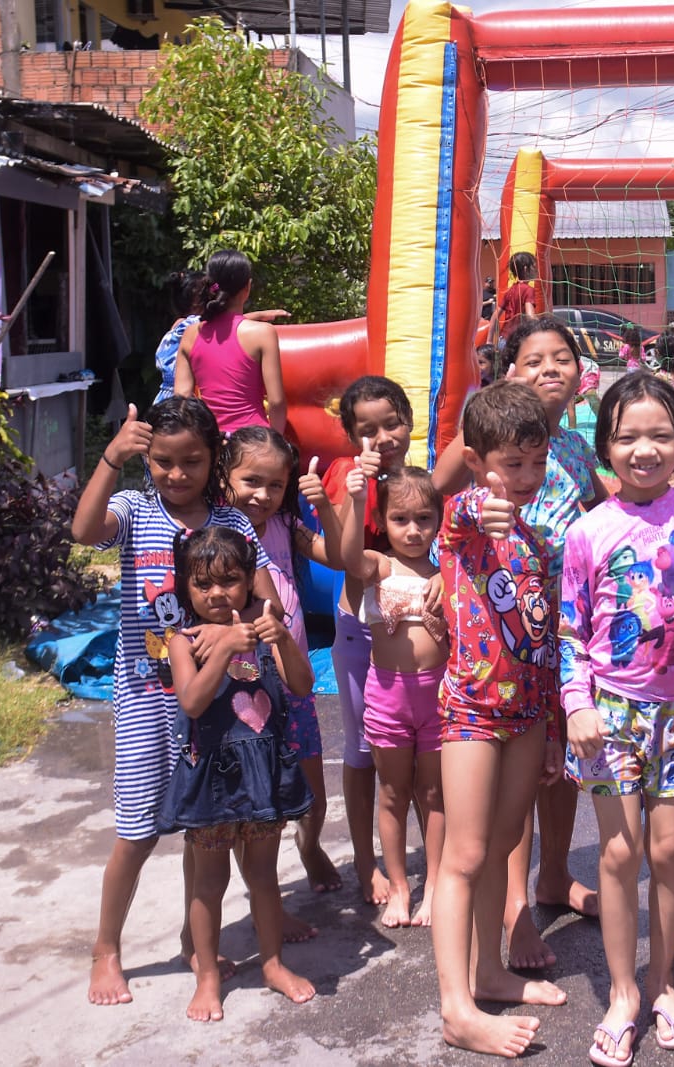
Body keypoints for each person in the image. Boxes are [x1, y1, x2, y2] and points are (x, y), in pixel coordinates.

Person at [71, 396, 282, 1006]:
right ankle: (106, 949)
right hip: (147, 697)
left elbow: (269, 601)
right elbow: (84, 532)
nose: (176, 473)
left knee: (205, 827)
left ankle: (199, 941)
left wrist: (237, 624)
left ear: (214, 458)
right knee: (136, 831)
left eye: (191, 460)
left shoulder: (232, 522)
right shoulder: (135, 509)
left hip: (217, 702)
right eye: (162, 461)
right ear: (147, 460)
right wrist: (111, 457)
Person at [561, 374, 674, 1066]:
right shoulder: (588, 530)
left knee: (668, 850)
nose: (644, 448)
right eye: (628, 436)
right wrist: (575, 702)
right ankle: (624, 992)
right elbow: (571, 631)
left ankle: (662, 982)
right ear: (606, 446)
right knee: (617, 852)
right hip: (610, 711)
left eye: (660, 434)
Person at [434, 315, 607, 969]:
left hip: (557, 638)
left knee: (557, 768)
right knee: (509, 798)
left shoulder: (574, 452)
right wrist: (492, 406)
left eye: (562, 357)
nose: (551, 369)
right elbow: (452, 484)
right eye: (534, 360)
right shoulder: (491, 454)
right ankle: (513, 912)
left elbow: (604, 506)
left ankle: (555, 875)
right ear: (511, 372)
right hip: (494, 645)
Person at [431, 380, 567, 1058]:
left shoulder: (539, 545)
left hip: (527, 716)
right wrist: (476, 508)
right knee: (465, 852)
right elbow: (453, 516)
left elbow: (544, 641)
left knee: (507, 836)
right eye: (513, 464)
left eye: (537, 463)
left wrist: (553, 726)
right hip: (472, 712)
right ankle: (456, 1006)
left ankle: (489, 970)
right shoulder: (466, 521)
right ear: (480, 460)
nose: (526, 478)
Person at [160, 526, 316, 1021]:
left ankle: (272, 964)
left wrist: (284, 640)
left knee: (265, 876)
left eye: (229, 580)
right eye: (202, 584)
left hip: (264, 771)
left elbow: (302, 683)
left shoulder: (266, 629)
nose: (215, 593)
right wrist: (227, 643)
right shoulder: (183, 641)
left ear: (250, 581)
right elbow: (191, 699)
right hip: (214, 777)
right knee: (209, 882)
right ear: (185, 587)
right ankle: (207, 975)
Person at [222, 427, 346, 924]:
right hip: (249, 683)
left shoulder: (287, 522)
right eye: (252, 480)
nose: (264, 494)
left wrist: (327, 508)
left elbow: (336, 557)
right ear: (224, 476)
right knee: (257, 802)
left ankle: (310, 843)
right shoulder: (220, 532)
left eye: (276, 484)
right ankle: (265, 899)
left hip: (293, 676)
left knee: (312, 788)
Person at [330, 375, 429, 906]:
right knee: (363, 751)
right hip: (358, 629)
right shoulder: (347, 476)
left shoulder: (419, 482)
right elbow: (341, 552)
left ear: (410, 422)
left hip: (413, 636)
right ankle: (368, 863)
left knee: (420, 757)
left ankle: (428, 863)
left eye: (392, 423)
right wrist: (359, 490)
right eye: (366, 430)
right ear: (350, 435)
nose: (383, 437)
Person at [342, 465, 450, 929]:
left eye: (424, 518)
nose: (413, 529)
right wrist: (352, 500)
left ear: (439, 519)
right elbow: (346, 557)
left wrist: (452, 573)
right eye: (400, 518)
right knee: (392, 792)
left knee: (433, 793)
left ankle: (439, 885)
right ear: (383, 520)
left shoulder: (449, 571)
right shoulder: (378, 565)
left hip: (439, 698)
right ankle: (400, 887)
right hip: (387, 697)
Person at [174, 250, 287, 435]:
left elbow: (181, 400)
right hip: (253, 442)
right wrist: (276, 444)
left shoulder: (190, 334)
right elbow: (276, 401)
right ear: (247, 287)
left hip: (211, 442)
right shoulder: (262, 333)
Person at [155, 270, 288, 406]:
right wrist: (260, 315)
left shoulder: (176, 326)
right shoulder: (190, 327)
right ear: (198, 300)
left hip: (165, 399)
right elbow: (226, 322)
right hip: (180, 401)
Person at [489, 252, 538, 347]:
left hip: (503, 340)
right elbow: (530, 316)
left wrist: (489, 340)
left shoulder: (511, 290)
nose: (536, 270)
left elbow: (495, 316)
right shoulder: (528, 290)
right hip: (517, 342)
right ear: (525, 269)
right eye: (534, 267)